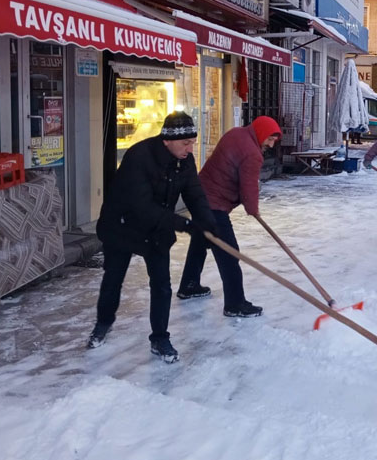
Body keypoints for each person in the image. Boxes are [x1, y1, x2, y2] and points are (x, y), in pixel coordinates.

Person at [89, 111, 217, 363]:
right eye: (185, 143)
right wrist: (184, 224)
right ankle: (102, 324)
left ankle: (160, 338)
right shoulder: (139, 157)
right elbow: (142, 206)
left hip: (156, 230)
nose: (190, 149)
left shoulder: (185, 160)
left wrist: (209, 225)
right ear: (167, 140)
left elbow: (195, 195)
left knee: (162, 285)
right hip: (121, 226)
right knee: (114, 278)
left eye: (192, 142)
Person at [177, 116, 282, 318]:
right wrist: (253, 209)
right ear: (260, 132)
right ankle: (235, 304)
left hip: (199, 196)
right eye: (269, 139)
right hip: (214, 204)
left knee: (200, 241)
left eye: (274, 141)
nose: (270, 144)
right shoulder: (253, 154)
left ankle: (189, 285)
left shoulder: (236, 133)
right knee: (230, 254)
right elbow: (248, 187)